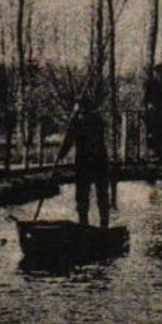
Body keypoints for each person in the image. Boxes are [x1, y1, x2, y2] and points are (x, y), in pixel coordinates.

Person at [57, 93, 112, 227]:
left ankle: (100, 225)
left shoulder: (87, 121)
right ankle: (87, 224)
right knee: (84, 196)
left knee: (98, 195)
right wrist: (61, 155)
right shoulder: (82, 121)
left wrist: (61, 154)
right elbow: (68, 141)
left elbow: (71, 139)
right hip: (89, 163)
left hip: (94, 162)